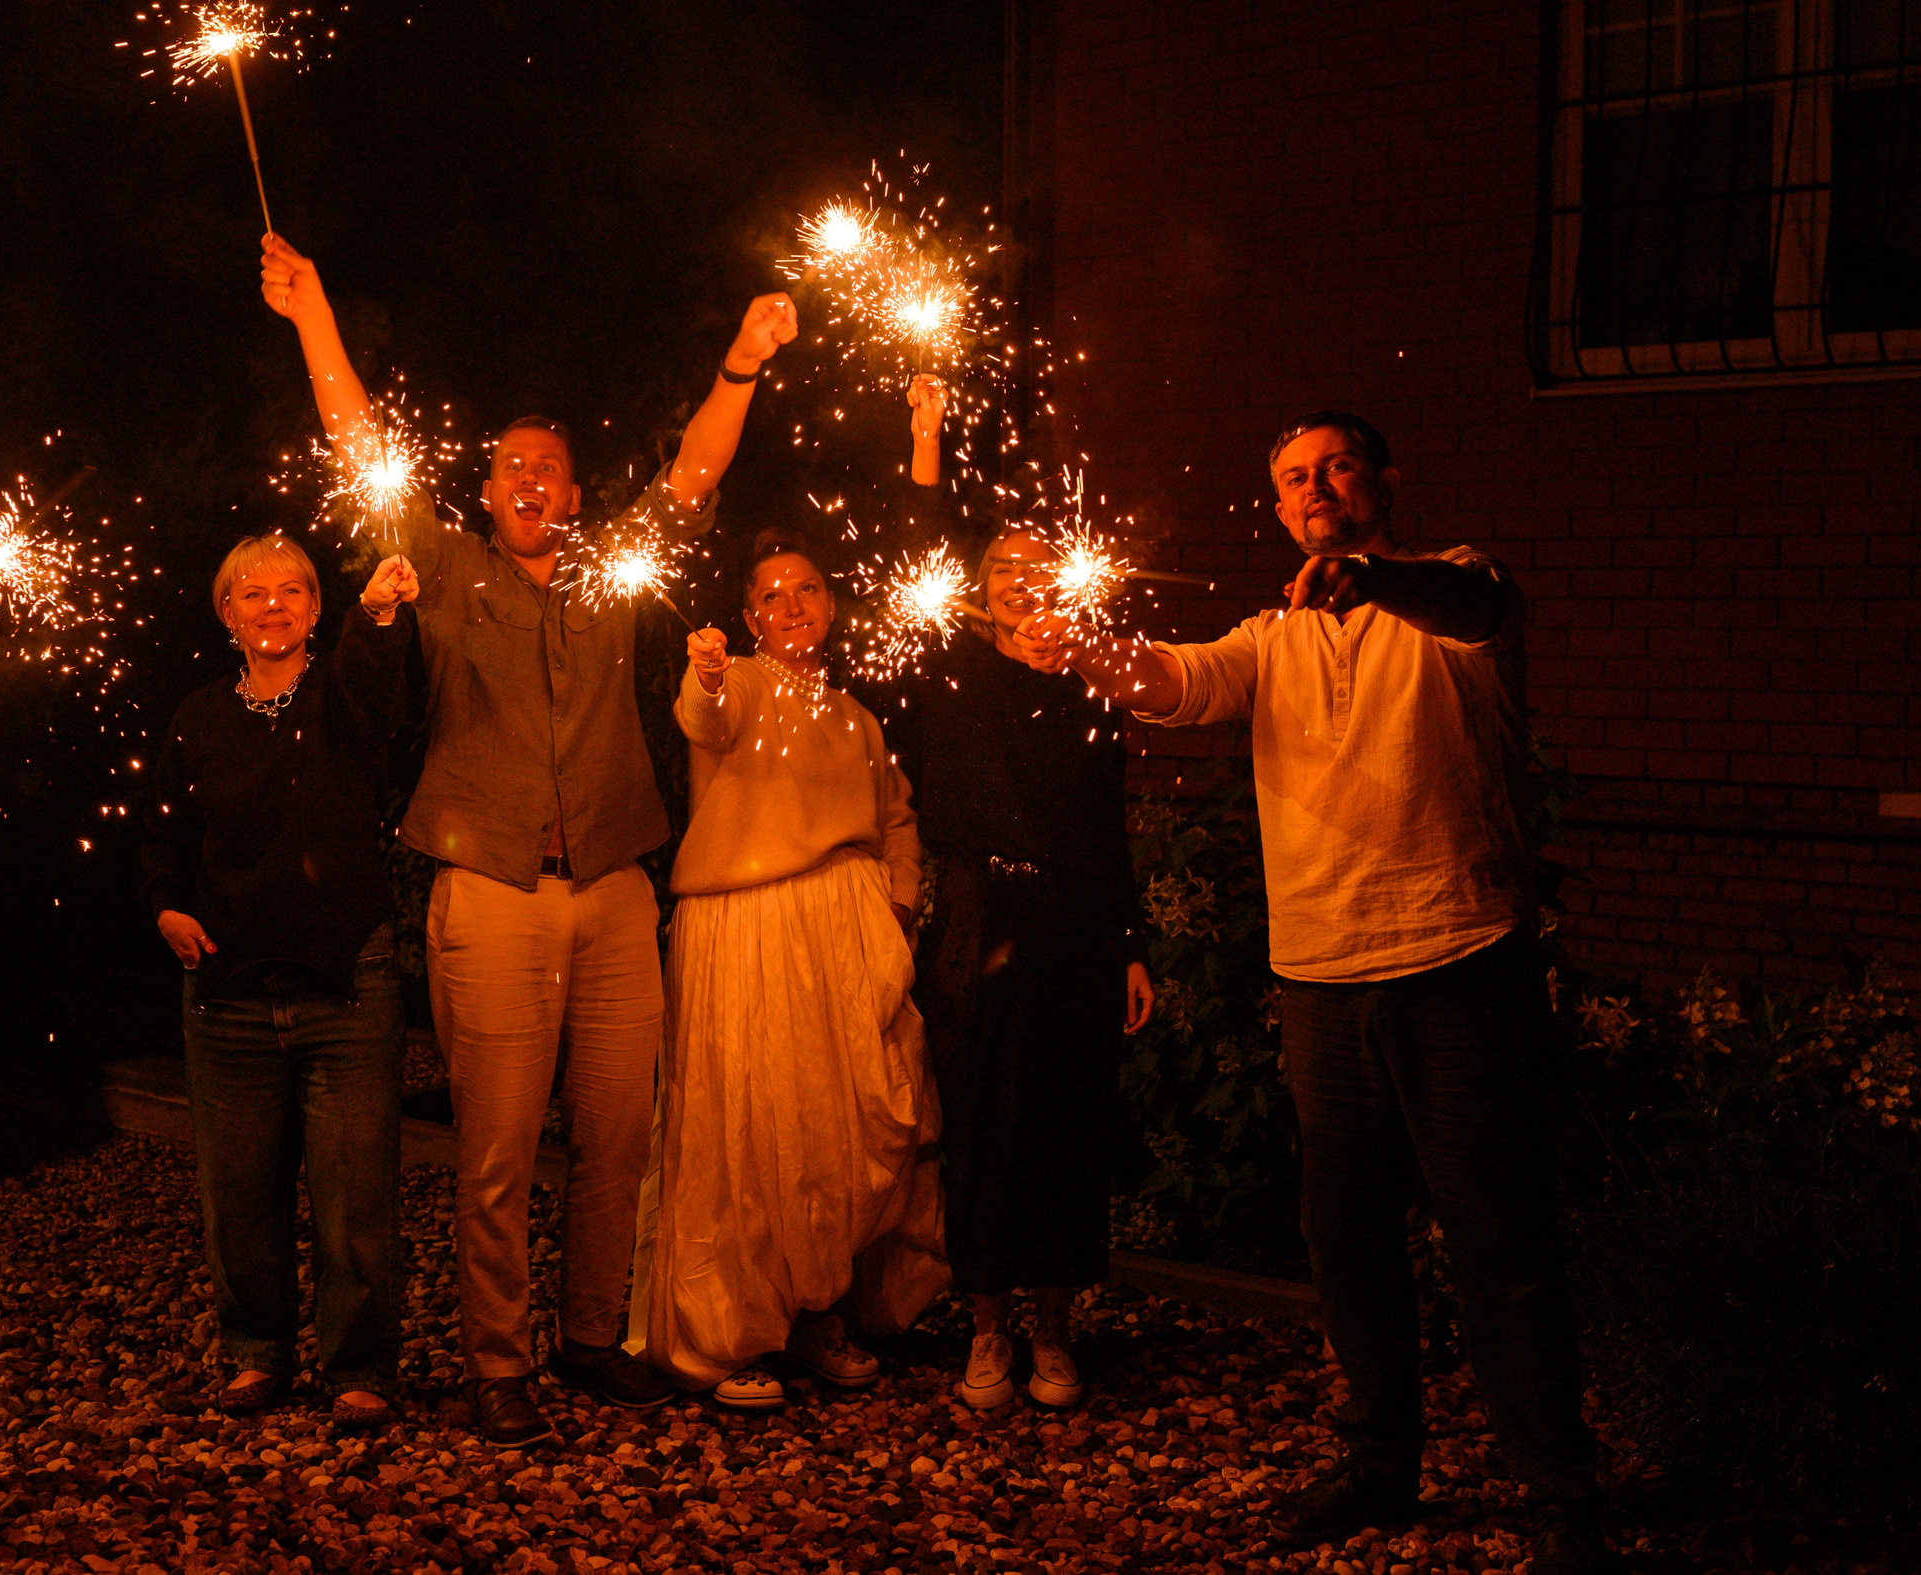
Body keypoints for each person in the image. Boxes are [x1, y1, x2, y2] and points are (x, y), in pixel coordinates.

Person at [260, 231, 799, 1446]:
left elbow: (695, 475)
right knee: (498, 1148)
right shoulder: (446, 567)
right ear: (487, 489)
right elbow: (358, 444)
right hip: (490, 888)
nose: (531, 480)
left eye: (550, 468)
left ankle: (591, 1337)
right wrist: (312, 314)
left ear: (576, 493)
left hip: (613, 885)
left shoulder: (615, 572)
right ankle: (497, 1359)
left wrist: (743, 360)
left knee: (617, 1136)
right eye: (511, 466)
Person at [1067, 413, 1607, 1574]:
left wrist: (1373, 579)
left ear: (1383, 482)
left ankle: (1559, 1487)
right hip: (1320, 978)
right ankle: (1379, 1464)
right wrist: (1081, 647)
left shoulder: (1452, 589)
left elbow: (1473, 607)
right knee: (1348, 1240)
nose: (1314, 486)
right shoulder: (1269, 638)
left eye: (1336, 466)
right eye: (1292, 478)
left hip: (1458, 958)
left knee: (1498, 1236)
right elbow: (1175, 681)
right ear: (1276, 509)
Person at [628, 535, 947, 1410]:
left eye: (806, 589)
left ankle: (816, 1315)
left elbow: (898, 819)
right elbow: (706, 716)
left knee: (836, 1129)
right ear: (748, 618)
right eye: (771, 595)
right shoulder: (738, 683)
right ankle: (729, 1331)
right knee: (748, 1129)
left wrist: (897, 906)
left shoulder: (857, 716)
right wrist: (706, 673)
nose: (791, 605)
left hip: (846, 932)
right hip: (746, 931)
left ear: (831, 606)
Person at [897, 376, 1155, 1412]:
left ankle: (1053, 1328)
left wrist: (1130, 942)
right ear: (978, 585)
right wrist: (926, 438)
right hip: (976, 917)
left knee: (1063, 1126)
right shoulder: (949, 672)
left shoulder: (1092, 691)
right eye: (1001, 566)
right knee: (981, 1128)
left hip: (1072, 927)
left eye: (1036, 566)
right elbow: (913, 552)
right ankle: (986, 1326)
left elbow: (1107, 826)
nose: (1019, 580)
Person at [141, 536, 420, 1429]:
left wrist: (379, 615)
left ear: (315, 607)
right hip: (228, 990)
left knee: (355, 1196)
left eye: (291, 590)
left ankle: (359, 1363)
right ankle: (256, 1352)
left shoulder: (342, 695)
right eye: (252, 593)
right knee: (240, 1198)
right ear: (226, 613)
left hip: (346, 983)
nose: (273, 605)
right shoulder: (197, 716)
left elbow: (378, 678)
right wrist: (165, 905)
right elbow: (164, 830)